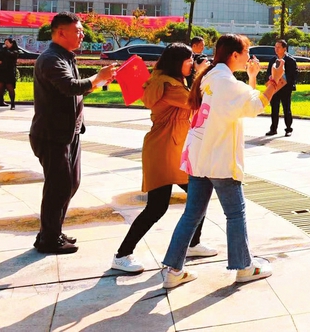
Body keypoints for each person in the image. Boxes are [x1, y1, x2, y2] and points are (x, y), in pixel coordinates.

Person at [159, 34, 285, 289]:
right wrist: (273, 82)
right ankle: (244, 267)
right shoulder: (225, 82)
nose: (249, 56)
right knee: (235, 213)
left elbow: (243, 102)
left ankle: (173, 270)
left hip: (200, 157)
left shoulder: (210, 77)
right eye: (246, 51)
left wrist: (252, 77)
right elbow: (254, 106)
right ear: (234, 55)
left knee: (192, 214)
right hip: (219, 158)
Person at [111, 44, 216, 273]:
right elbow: (196, 103)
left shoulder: (166, 80)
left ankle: (193, 243)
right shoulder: (169, 86)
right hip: (164, 150)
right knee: (157, 207)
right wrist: (202, 74)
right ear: (177, 62)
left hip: (172, 148)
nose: (192, 64)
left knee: (199, 195)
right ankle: (122, 255)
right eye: (189, 60)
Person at [29, 12, 118, 254]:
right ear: (60, 32)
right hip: (52, 134)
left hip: (69, 132)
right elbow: (69, 87)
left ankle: (51, 232)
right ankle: (49, 239)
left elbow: (75, 91)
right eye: (77, 31)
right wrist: (97, 77)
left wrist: (99, 82)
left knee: (70, 183)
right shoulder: (51, 59)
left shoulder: (66, 57)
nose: (82, 35)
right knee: (58, 187)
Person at [266, 40, 298, 137]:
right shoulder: (272, 60)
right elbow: (268, 72)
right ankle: (273, 129)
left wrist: (285, 81)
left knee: (286, 109)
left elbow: (293, 75)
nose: (276, 49)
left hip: (285, 89)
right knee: (274, 109)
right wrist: (270, 77)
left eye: (278, 47)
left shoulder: (291, 61)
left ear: (284, 48)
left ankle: (288, 129)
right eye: (275, 47)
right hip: (274, 88)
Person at [0, 38, 19, 110]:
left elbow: (11, 56)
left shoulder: (15, 51)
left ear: (11, 43)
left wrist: (3, 59)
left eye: (7, 43)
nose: (6, 44)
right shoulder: (3, 50)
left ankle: (12, 104)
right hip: (1, 72)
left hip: (9, 72)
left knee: (10, 88)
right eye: (5, 43)